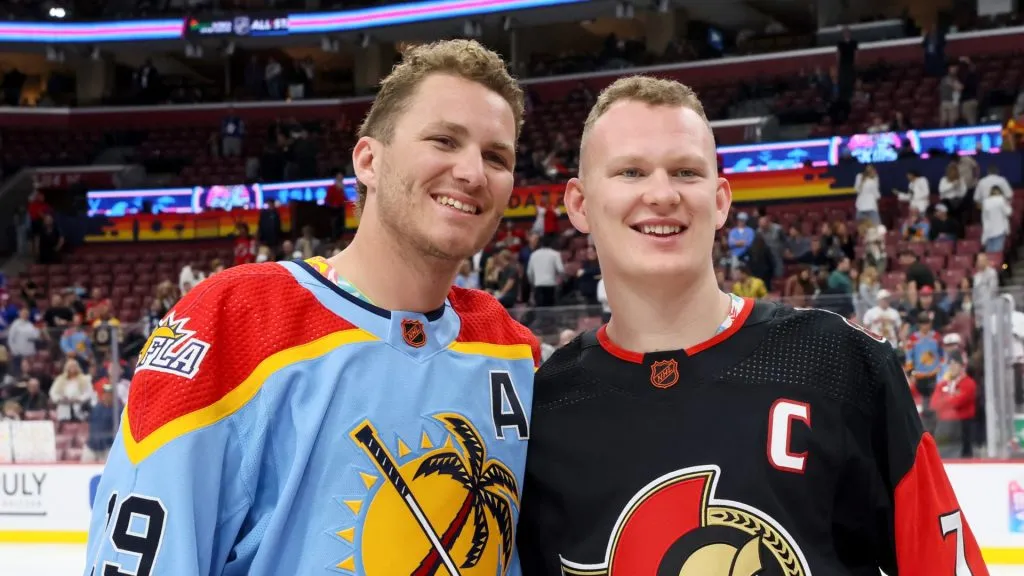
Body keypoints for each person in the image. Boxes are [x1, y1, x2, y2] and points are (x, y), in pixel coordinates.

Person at [85, 39, 540, 575]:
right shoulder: (235, 317)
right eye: (444, 140)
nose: (473, 173)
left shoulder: (512, 349)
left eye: (496, 156)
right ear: (368, 160)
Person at [516, 76, 987, 575]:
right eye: (631, 172)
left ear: (720, 200)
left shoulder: (843, 364)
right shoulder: (545, 408)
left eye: (685, 172)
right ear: (579, 204)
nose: (661, 194)